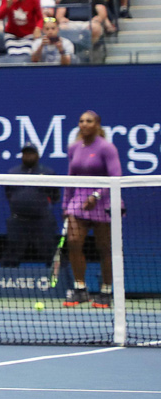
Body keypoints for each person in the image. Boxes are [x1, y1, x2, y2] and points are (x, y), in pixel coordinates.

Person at [61, 111, 121, 309]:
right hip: (78, 201)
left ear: (97, 124)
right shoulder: (74, 148)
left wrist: (96, 196)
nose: (84, 124)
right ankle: (80, 288)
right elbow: (71, 177)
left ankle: (106, 291)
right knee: (74, 242)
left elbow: (116, 176)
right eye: (81, 121)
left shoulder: (107, 148)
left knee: (104, 248)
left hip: (104, 201)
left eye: (89, 121)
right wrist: (65, 204)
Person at [1, 144, 59, 267]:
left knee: (50, 251)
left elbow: (55, 195)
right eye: (26, 153)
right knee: (12, 252)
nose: (28, 156)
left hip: (42, 221)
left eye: (31, 153)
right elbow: (9, 193)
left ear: (37, 155)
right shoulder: (12, 173)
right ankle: (5, 280)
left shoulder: (48, 172)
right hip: (18, 220)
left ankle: (59, 280)